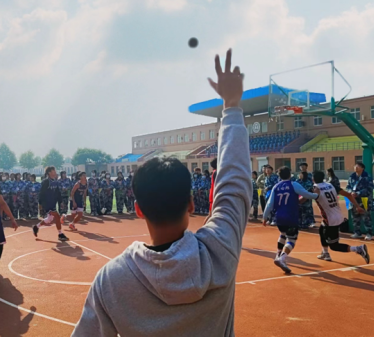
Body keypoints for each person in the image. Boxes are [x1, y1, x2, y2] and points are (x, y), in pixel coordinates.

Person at [72, 49, 249, 336]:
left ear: (139, 209)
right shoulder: (220, 251)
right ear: (191, 204)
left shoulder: (112, 278)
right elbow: (234, 185)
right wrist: (231, 107)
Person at [263, 166, 318, 274]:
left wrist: (265, 217)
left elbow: (269, 204)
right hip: (291, 216)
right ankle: (282, 258)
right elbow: (307, 195)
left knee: (283, 234)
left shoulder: (276, 187)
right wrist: (316, 195)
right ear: (290, 174)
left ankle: (278, 255)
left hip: (279, 217)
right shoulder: (293, 185)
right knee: (292, 239)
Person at [312, 170, 370, 263]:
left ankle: (358, 249)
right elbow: (348, 195)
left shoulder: (314, 188)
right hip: (338, 215)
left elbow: (301, 199)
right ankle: (325, 253)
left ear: (313, 179)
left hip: (330, 220)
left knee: (334, 246)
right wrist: (357, 206)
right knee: (321, 229)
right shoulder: (331, 185)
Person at [32, 166, 69, 242]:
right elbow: (41, 193)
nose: (55, 172)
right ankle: (60, 234)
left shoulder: (55, 181)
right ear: (49, 173)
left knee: (49, 219)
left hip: (53, 203)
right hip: (47, 203)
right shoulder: (46, 182)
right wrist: (40, 203)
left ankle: (36, 227)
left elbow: (58, 192)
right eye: (53, 171)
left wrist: (60, 201)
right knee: (57, 216)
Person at [346, 162, 374, 240]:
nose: (356, 167)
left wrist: (358, 193)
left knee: (366, 217)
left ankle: (369, 233)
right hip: (354, 199)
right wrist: (350, 192)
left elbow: (369, 188)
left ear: (362, 168)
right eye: (355, 166)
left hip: (364, 199)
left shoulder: (367, 176)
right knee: (355, 216)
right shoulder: (352, 176)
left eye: (358, 166)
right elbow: (348, 186)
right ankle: (357, 232)